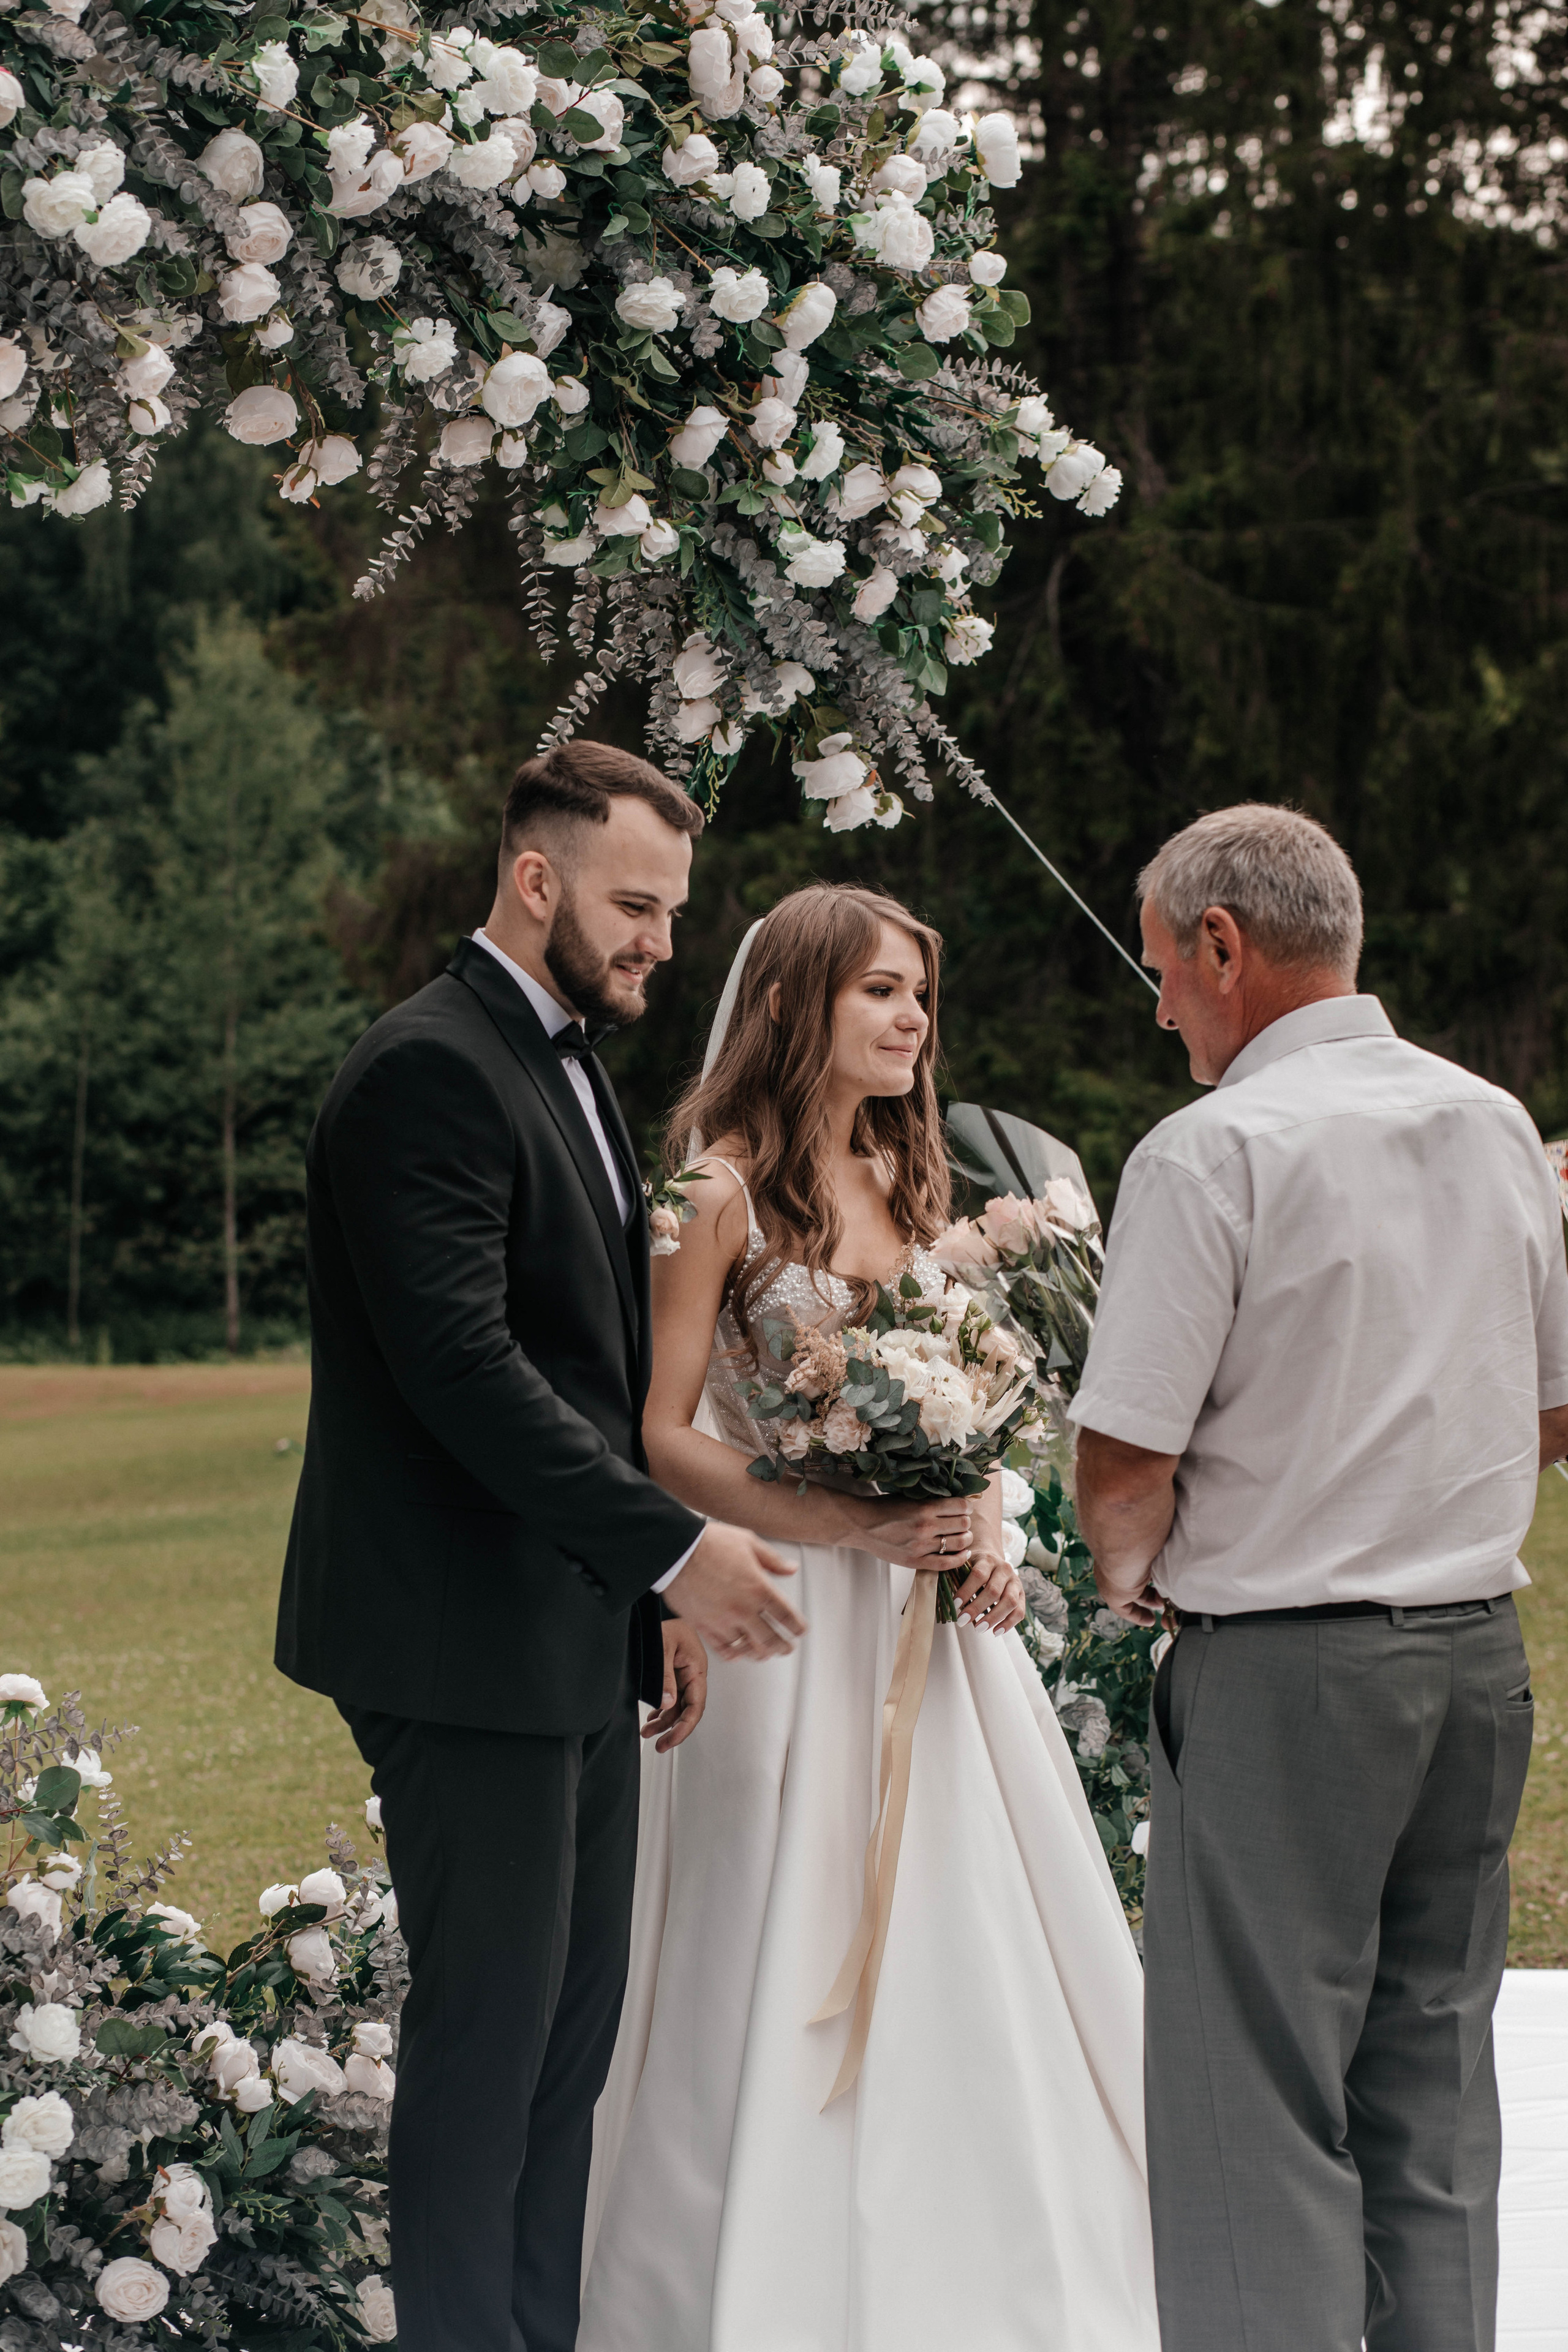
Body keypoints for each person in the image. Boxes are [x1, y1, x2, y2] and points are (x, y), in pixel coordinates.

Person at [274, 742, 808, 2352]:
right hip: (457, 1643)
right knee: (490, 2052)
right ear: (535, 878)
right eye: (634, 905)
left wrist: (630, 1611)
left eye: (671, 911)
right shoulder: (427, 1068)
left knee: (567, 2055)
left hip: (560, 1633)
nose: (659, 940)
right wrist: (671, 1555)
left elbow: (575, 1364)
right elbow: (462, 1373)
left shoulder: (567, 1060)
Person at [578, 883, 1160, 2352]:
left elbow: (950, 1407)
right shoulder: (702, 1193)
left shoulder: (915, 1192)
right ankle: (730, 2267)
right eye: (880, 993)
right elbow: (659, 1435)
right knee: (769, 1914)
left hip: (925, 1623)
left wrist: (971, 1526)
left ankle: (982, 2247)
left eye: (919, 997)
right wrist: (843, 1519)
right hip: (778, 1611)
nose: (911, 1022)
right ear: (791, 1005)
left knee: (969, 1916)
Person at [1070, 804, 1568, 2352]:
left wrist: (1133, 1583)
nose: (1155, 1007)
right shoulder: (1492, 1119)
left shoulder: (1208, 1149)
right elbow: (1551, 1409)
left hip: (1283, 1669)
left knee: (1250, 2105)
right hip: (1474, 1660)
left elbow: (1121, 1460)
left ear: (1224, 947)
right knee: (1429, 2085)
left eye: (1159, 970)